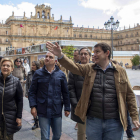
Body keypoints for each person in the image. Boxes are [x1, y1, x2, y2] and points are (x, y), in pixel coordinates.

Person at [46, 42, 140, 140]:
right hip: (93, 121)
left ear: (107, 53)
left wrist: (134, 117)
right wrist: (60, 55)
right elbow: (73, 67)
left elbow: (130, 95)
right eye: (94, 52)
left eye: (97, 52)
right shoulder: (89, 68)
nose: (94, 54)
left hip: (115, 122)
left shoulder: (120, 71)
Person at [28, 51, 70, 140]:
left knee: (57, 135)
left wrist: (67, 107)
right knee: (44, 137)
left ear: (55, 60)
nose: (47, 58)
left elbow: (65, 92)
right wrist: (33, 106)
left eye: (50, 57)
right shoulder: (38, 73)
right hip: (43, 109)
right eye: (46, 56)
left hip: (56, 109)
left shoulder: (61, 75)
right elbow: (32, 91)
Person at [68, 47, 91, 140]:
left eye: (85, 54)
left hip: (94, 106)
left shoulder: (95, 68)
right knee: (82, 132)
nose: (83, 56)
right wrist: (75, 104)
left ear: (90, 56)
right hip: (80, 106)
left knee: (94, 131)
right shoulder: (74, 69)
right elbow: (70, 88)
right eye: (81, 54)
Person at [0, 58, 23, 140]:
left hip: (10, 117)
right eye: (3, 65)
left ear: (12, 68)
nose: (5, 67)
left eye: (8, 66)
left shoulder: (16, 82)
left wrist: (19, 117)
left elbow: (20, 100)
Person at [26, 61, 40, 130]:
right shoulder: (29, 74)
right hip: (32, 94)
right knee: (33, 108)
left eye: (34, 65)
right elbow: (27, 84)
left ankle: (40, 121)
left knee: (39, 108)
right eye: (32, 65)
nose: (32, 66)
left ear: (37, 66)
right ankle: (36, 122)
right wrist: (26, 93)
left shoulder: (40, 73)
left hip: (39, 94)